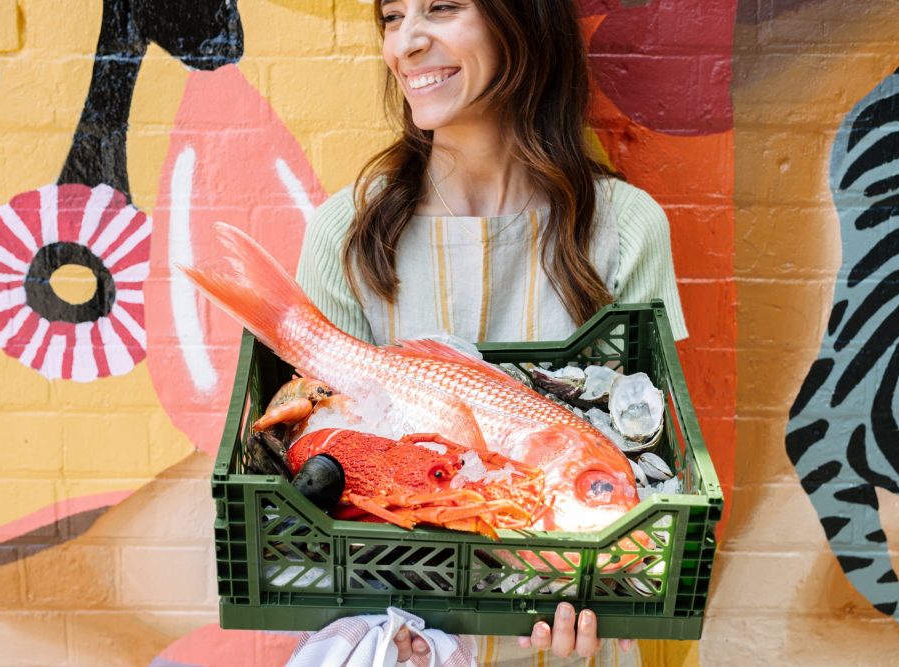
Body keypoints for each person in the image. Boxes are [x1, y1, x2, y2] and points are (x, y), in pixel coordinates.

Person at [295, 0, 688, 663]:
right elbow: (312, 488)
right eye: (392, 17)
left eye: (442, 7)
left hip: (575, 645)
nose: (407, 44)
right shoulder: (346, 235)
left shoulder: (625, 229)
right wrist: (384, 634)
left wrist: (617, 586)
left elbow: (658, 475)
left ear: (523, 21)